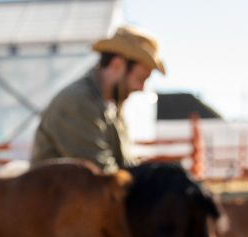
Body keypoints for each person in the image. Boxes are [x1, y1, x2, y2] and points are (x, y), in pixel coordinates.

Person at [31, 25, 165, 171]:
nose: (141, 88)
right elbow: (103, 177)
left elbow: (123, 167)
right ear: (117, 65)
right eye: (140, 79)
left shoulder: (110, 108)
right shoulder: (78, 103)